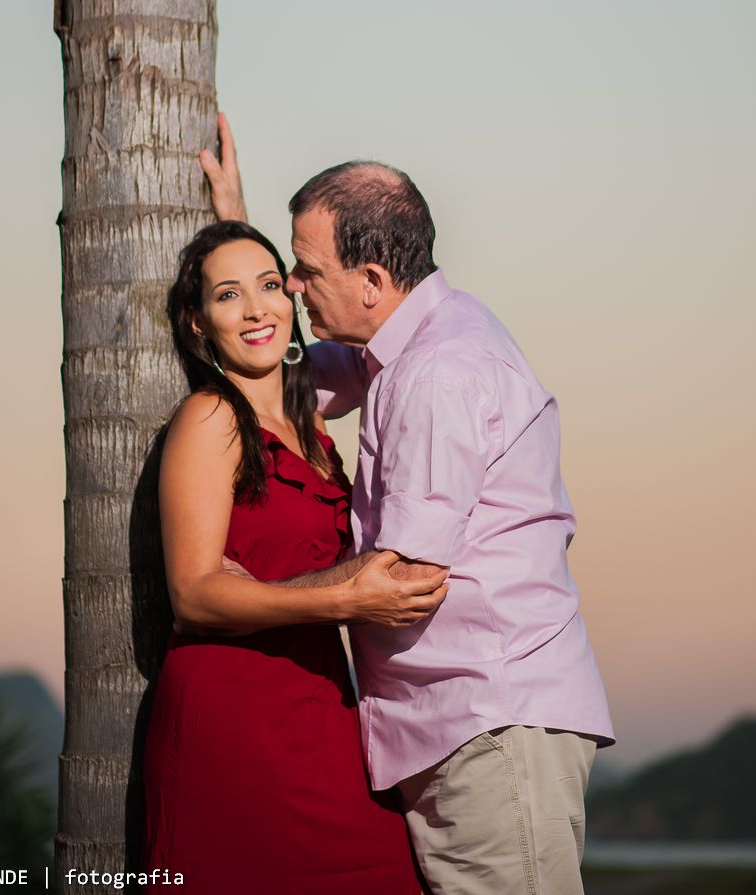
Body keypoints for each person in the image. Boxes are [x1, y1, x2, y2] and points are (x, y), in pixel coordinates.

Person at [201, 117, 615, 895]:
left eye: (302, 270)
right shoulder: (410, 343)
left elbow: (404, 578)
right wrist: (235, 234)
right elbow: (293, 366)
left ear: (370, 280)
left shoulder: (436, 372)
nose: (293, 286)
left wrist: (249, 594)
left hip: (488, 724)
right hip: (468, 722)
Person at [142, 218, 443, 892]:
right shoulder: (210, 419)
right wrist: (344, 598)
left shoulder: (312, 429)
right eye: (228, 295)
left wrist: (232, 212)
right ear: (197, 323)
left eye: (270, 285)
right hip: (235, 714)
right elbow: (193, 595)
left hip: (323, 705)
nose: (256, 309)